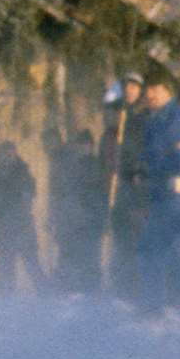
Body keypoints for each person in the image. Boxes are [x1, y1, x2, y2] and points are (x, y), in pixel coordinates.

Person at [133, 73, 180, 318]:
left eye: (153, 89)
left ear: (166, 91)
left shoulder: (177, 118)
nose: (148, 95)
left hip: (174, 194)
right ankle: (158, 305)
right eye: (147, 90)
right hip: (158, 192)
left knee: (162, 248)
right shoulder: (155, 120)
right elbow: (149, 153)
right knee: (163, 248)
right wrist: (141, 172)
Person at [0, 140, 44, 294]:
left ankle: (46, 296)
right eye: (4, 154)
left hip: (23, 227)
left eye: (10, 153)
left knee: (32, 264)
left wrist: (18, 207)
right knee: (5, 267)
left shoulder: (23, 173)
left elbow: (30, 194)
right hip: (2, 228)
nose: (7, 157)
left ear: (15, 154)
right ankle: (6, 301)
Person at [47, 125, 106, 292]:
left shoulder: (96, 165)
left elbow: (99, 192)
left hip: (91, 216)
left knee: (90, 255)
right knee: (68, 252)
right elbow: (61, 191)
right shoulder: (69, 166)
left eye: (87, 145)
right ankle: (67, 287)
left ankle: (91, 288)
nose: (83, 148)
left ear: (91, 146)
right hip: (71, 217)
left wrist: (99, 215)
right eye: (81, 145)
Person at [106, 73, 148, 301]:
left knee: (135, 234)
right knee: (120, 229)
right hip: (121, 182)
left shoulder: (142, 116)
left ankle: (135, 287)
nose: (130, 91)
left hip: (136, 184)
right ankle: (120, 284)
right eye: (127, 87)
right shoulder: (120, 113)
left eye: (134, 87)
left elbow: (141, 151)